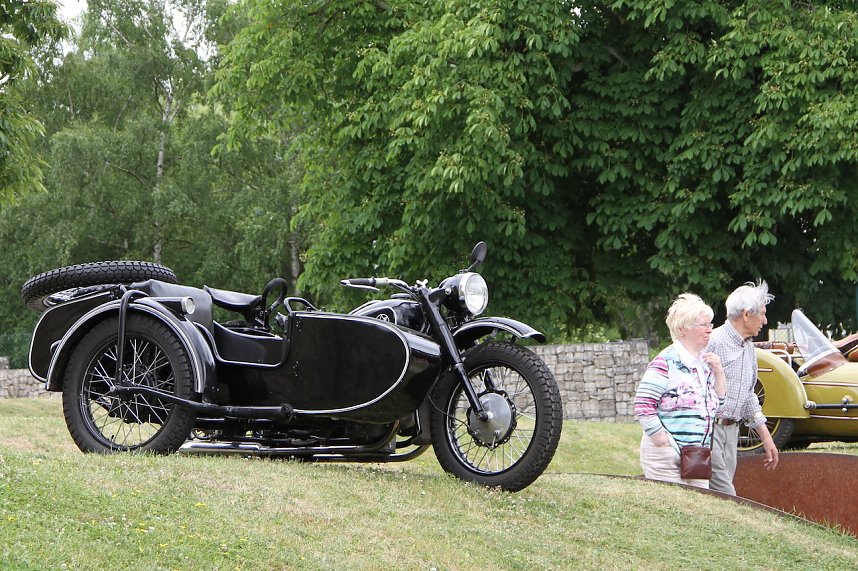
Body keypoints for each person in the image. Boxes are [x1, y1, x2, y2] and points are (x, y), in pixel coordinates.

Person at [634, 293, 726, 489]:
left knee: (697, 512)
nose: (710, 330)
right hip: (666, 456)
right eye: (703, 325)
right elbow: (642, 404)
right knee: (672, 512)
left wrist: (719, 373)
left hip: (696, 456)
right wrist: (661, 441)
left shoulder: (704, 363)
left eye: (710, 324)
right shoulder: (665, 361)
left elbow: (718, 409)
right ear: (683, 328)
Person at [705, 280, 779, 495]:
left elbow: (748, 396)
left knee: (718, 497)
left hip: (732, 431)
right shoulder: (713, 342)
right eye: (762, 314)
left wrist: (766, 438)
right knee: (726, 495)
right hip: (710, 431)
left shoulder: (748, 348)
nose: (765, 321)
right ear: (746, 314)